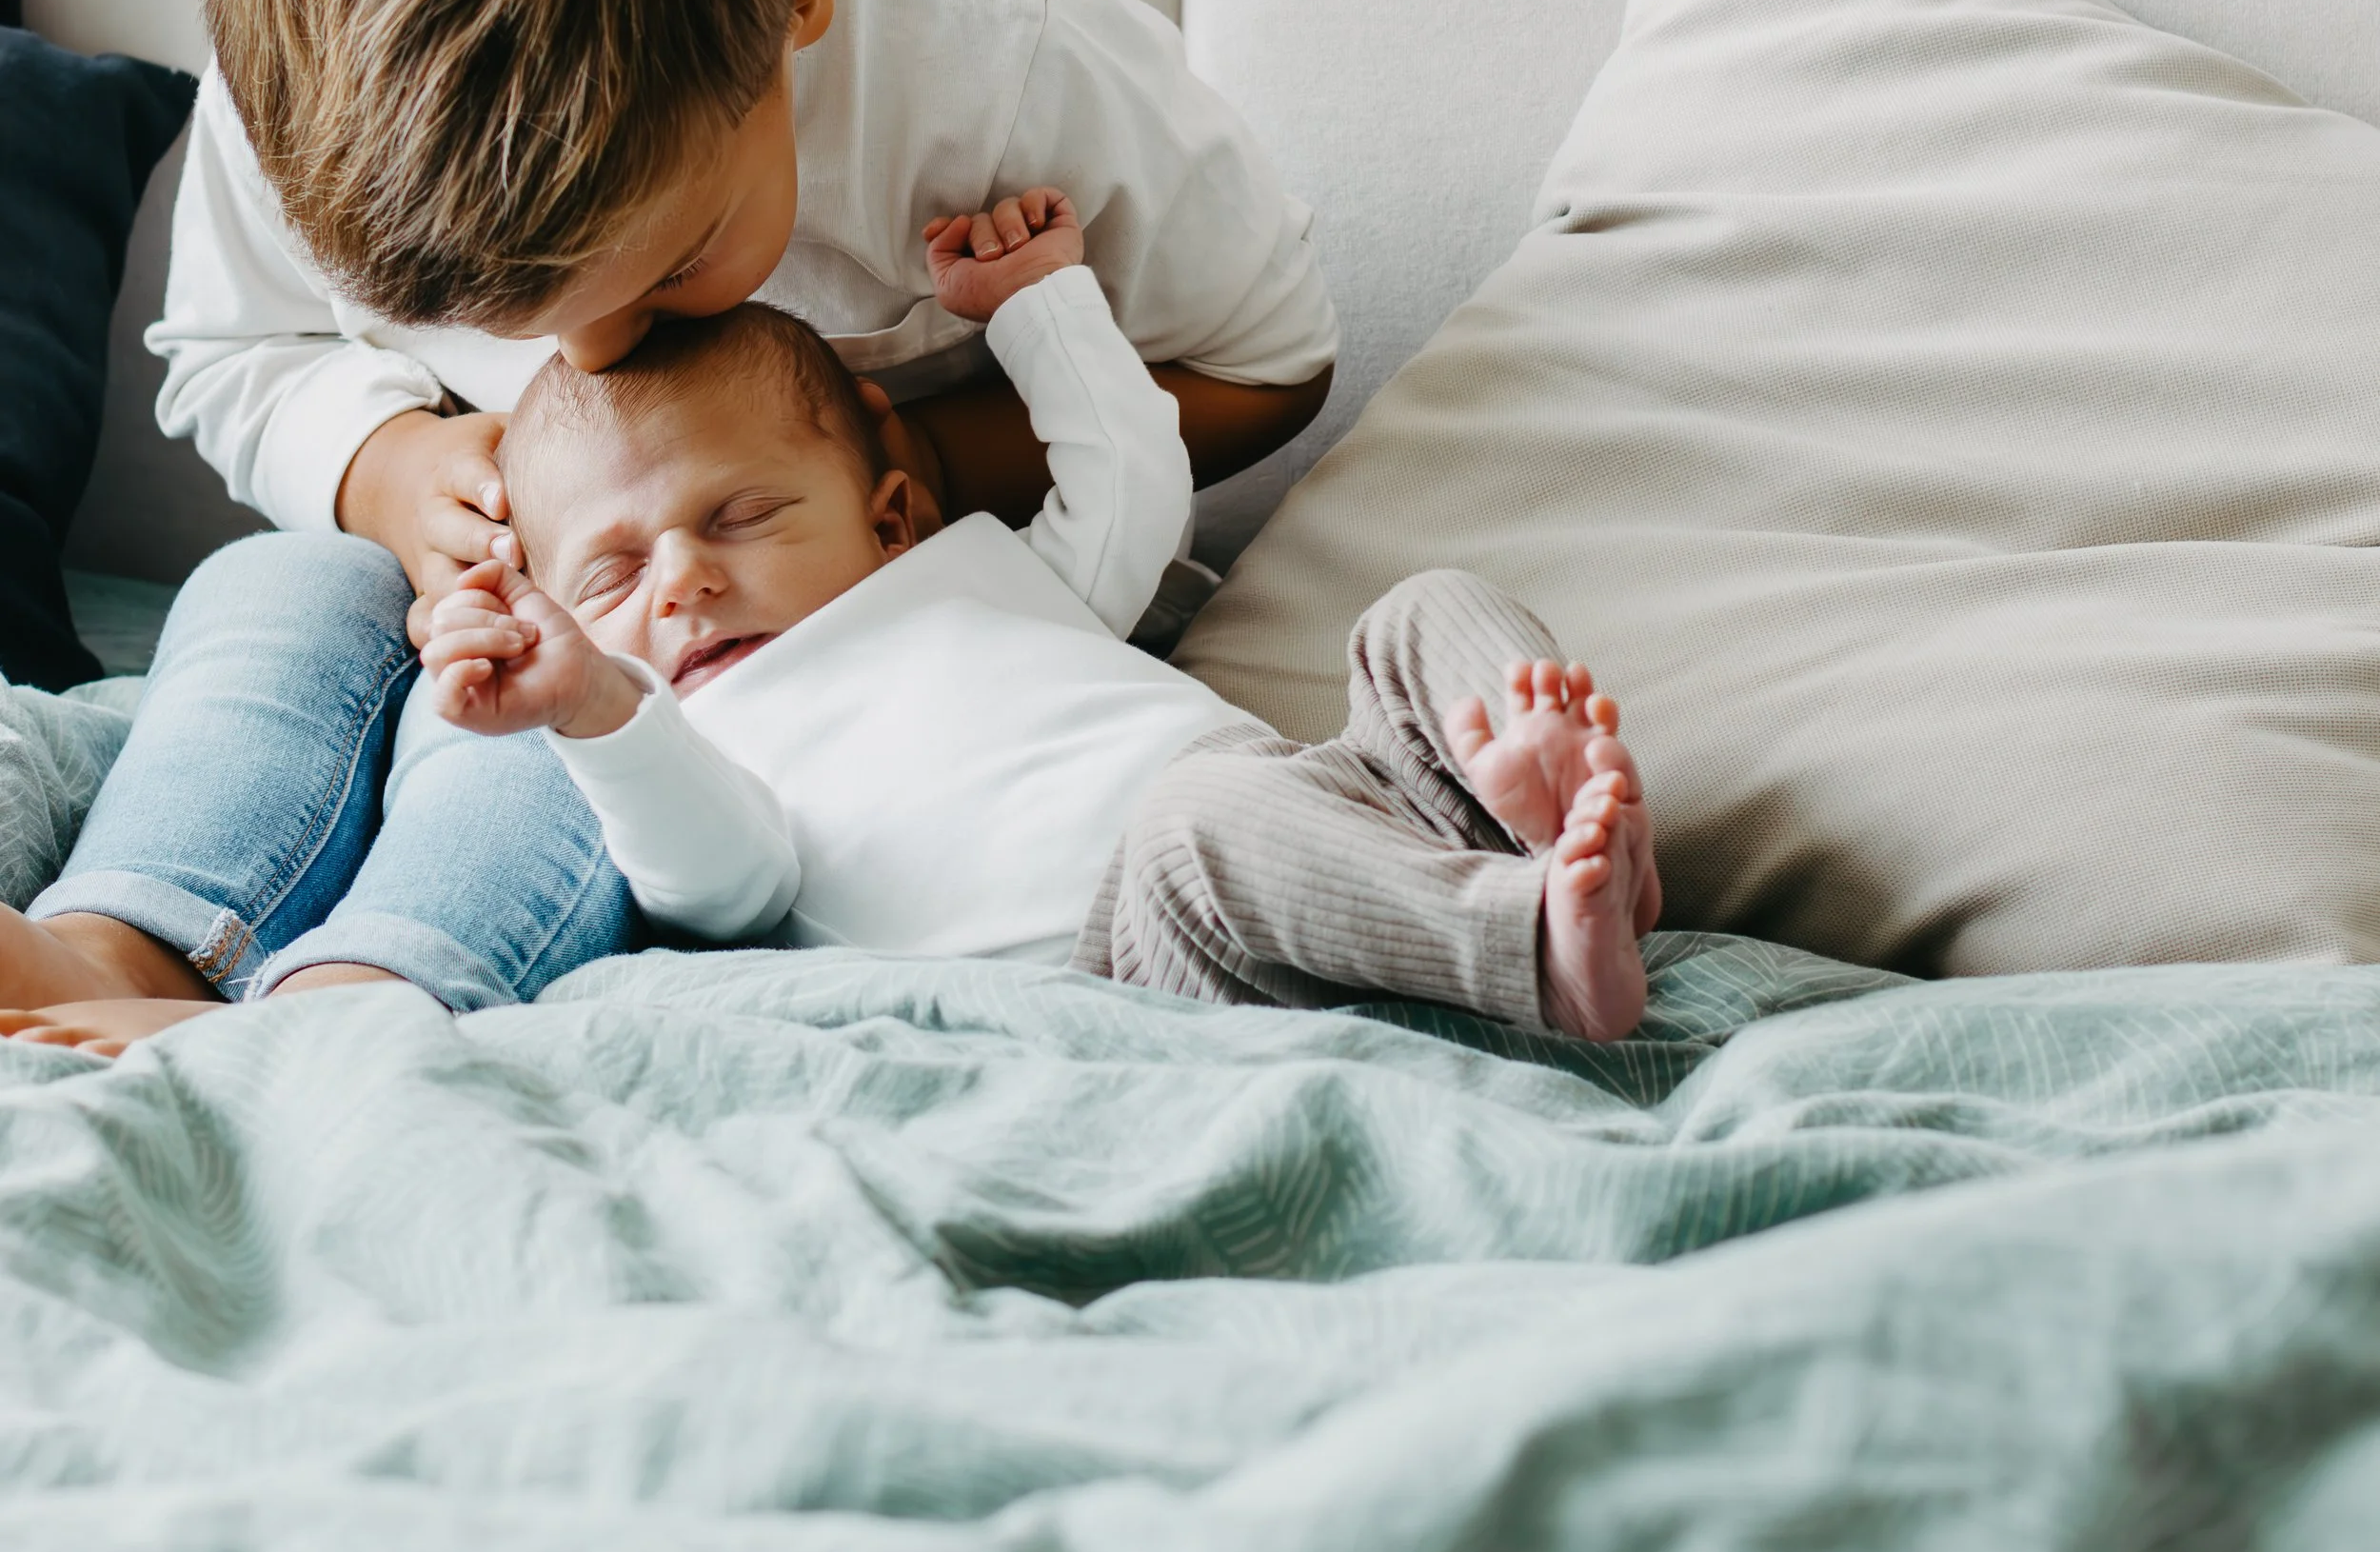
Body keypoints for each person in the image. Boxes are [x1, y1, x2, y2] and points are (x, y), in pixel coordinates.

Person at [0, 0, 1337, 1053]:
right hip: (490, 566)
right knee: (275, 581)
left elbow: (1266, 359)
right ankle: (124, 939)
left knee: (557, 713)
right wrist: (383, 468)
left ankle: (367, 995)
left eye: (676, 260)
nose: (583, 353)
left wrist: (916, 463)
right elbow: (228, 348)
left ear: (798, 3)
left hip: (740, 642)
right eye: (490, 325)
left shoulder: (995, 52)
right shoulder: (313, 73)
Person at [412, 193, 1662, 1042]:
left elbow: (1130, 480)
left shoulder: (981, 568)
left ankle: (1555, 828)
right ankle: (1534, 951)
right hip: (1144, 963)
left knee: (1419, 612)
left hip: (1330, 817)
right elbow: (715, 880)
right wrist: (590, 704)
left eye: (740, 514)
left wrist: (1041, 303)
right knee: (1200, 821)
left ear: (890, 517)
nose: (682, 578)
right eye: (612, 577)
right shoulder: (693, 741)